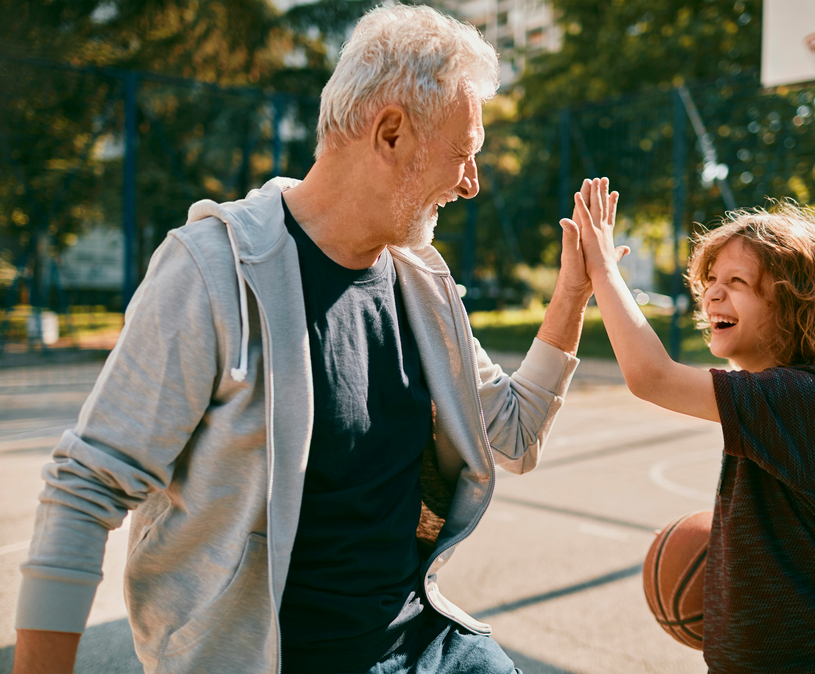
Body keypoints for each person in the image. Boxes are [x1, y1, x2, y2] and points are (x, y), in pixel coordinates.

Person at [13, 6, 612, 674]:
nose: (470, 182)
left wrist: (572, 295)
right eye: (463, 153)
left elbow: (515, 436)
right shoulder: (212, 271)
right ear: (391, 133)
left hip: (419, 643)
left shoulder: (421, 286)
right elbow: (84, 488)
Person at [570, 178, 815, 673]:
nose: (713, 293)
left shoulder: (794, 396)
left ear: (791, 302)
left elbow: (652, 376)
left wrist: (601, 270)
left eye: (738, 283)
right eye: (711, 280)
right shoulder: (774, 393)